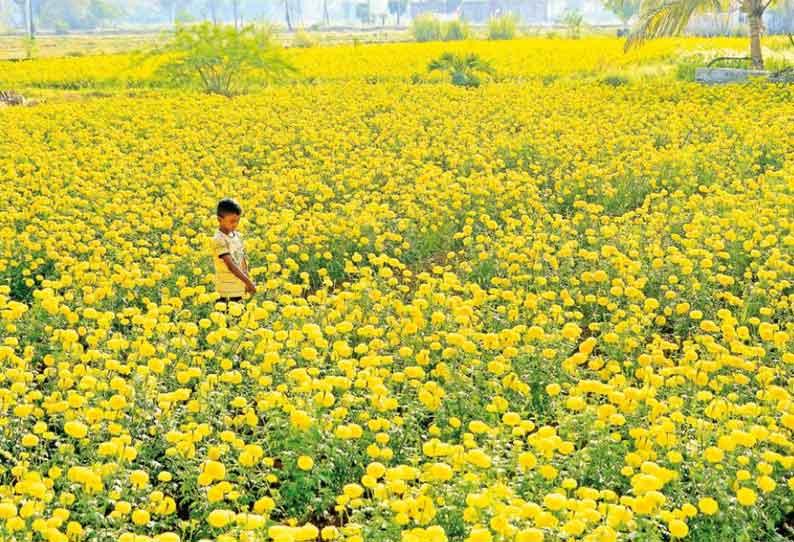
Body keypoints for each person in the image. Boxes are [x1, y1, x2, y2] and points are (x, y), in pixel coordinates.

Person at [212, 198, 256, 310]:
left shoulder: (237, 236)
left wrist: (247, 279)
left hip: (239, 289)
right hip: (226, 291)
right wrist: (248, 282)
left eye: (237, 221)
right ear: (219, 219)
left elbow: (242, 259)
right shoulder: (219, 240)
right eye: (232, 221)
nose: (235, 224)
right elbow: (231, 266)